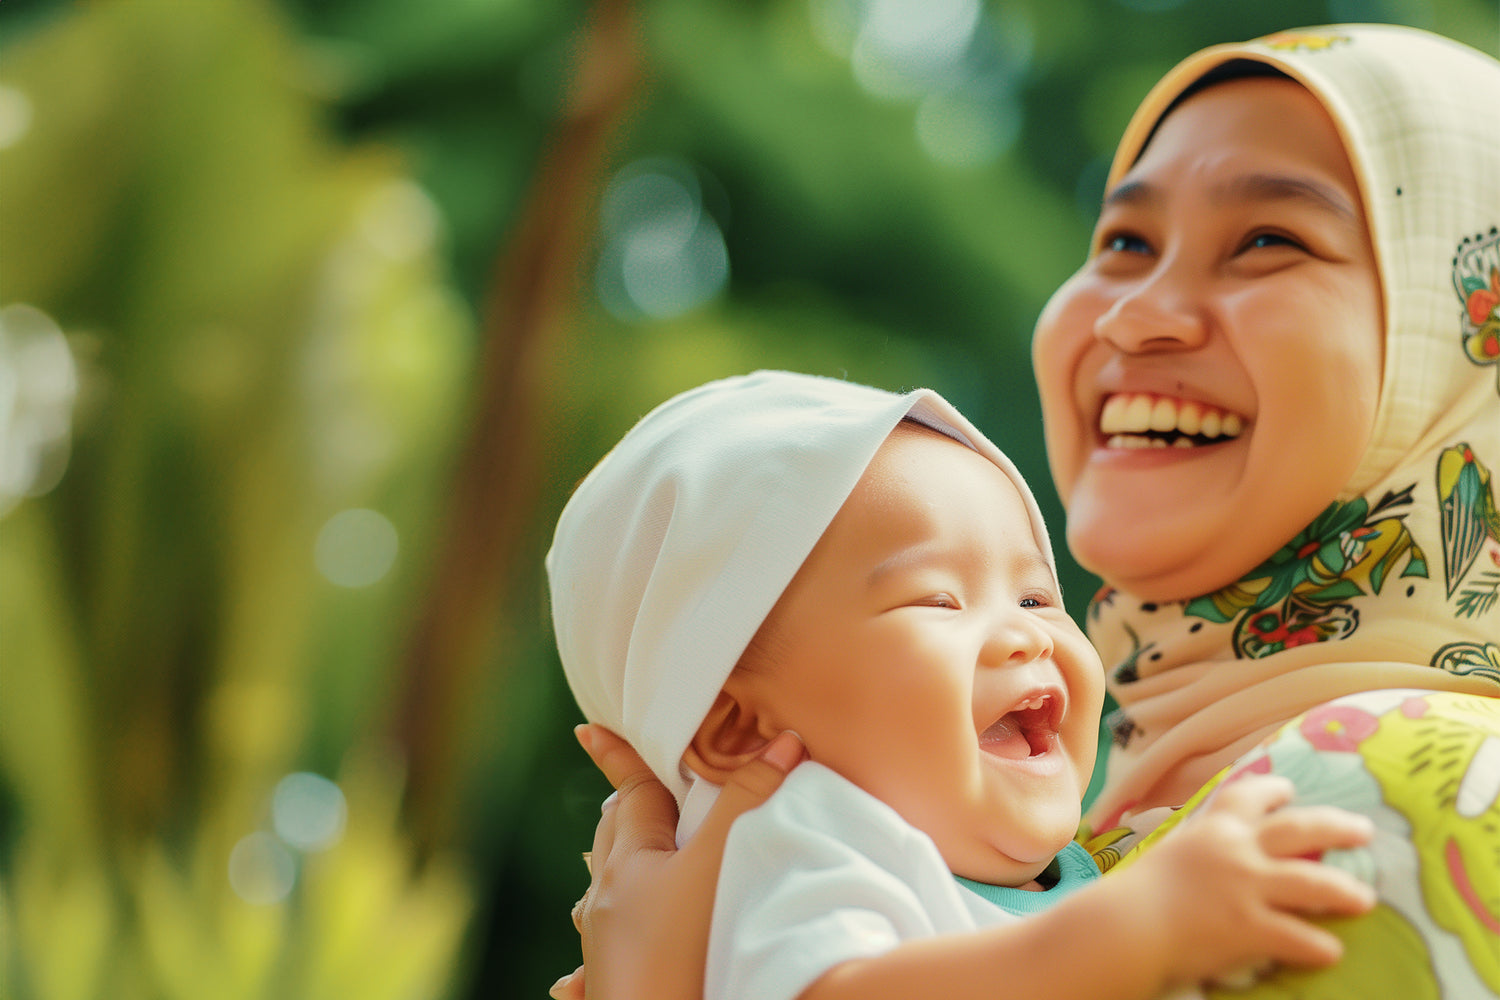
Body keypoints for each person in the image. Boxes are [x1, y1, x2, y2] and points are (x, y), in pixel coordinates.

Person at [555, 22, 1500, 1000]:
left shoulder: (1417, 788)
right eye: (1125, 241)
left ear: (1461, 340)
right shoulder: (1059, 847)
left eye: (1269, 240)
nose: (1135, 314)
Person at [547, 370, 1376, 1000]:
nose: (1025, 634)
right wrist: (1138, 927)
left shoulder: (1048, 874)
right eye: (939, 601)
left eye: (1036, 598)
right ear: (739, 729)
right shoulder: (802, 843)